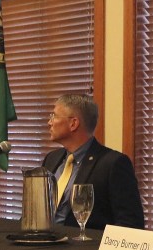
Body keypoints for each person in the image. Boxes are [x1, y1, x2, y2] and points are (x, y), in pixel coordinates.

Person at [43, 93, 144, 230]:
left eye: (54, 116)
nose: (49, 122)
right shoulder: (51, 159)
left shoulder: (113, 163)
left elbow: (130, 223)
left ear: (73, 123)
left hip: (83, 248)